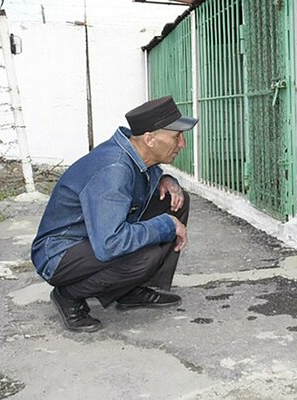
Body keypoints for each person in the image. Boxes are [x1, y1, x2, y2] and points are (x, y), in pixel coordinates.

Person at [31, 95, 198, 333]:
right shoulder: (114, 169)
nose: (182, 144)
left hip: (92, 236)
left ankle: (131, 291)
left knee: (175, 201)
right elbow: (111, 242)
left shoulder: (133, 152)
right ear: (150, 139)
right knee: (144, 257)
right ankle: (68, 295)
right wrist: (166, 225)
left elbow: (140, 177)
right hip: (59, 254)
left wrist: (164, 178)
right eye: (176, 137)